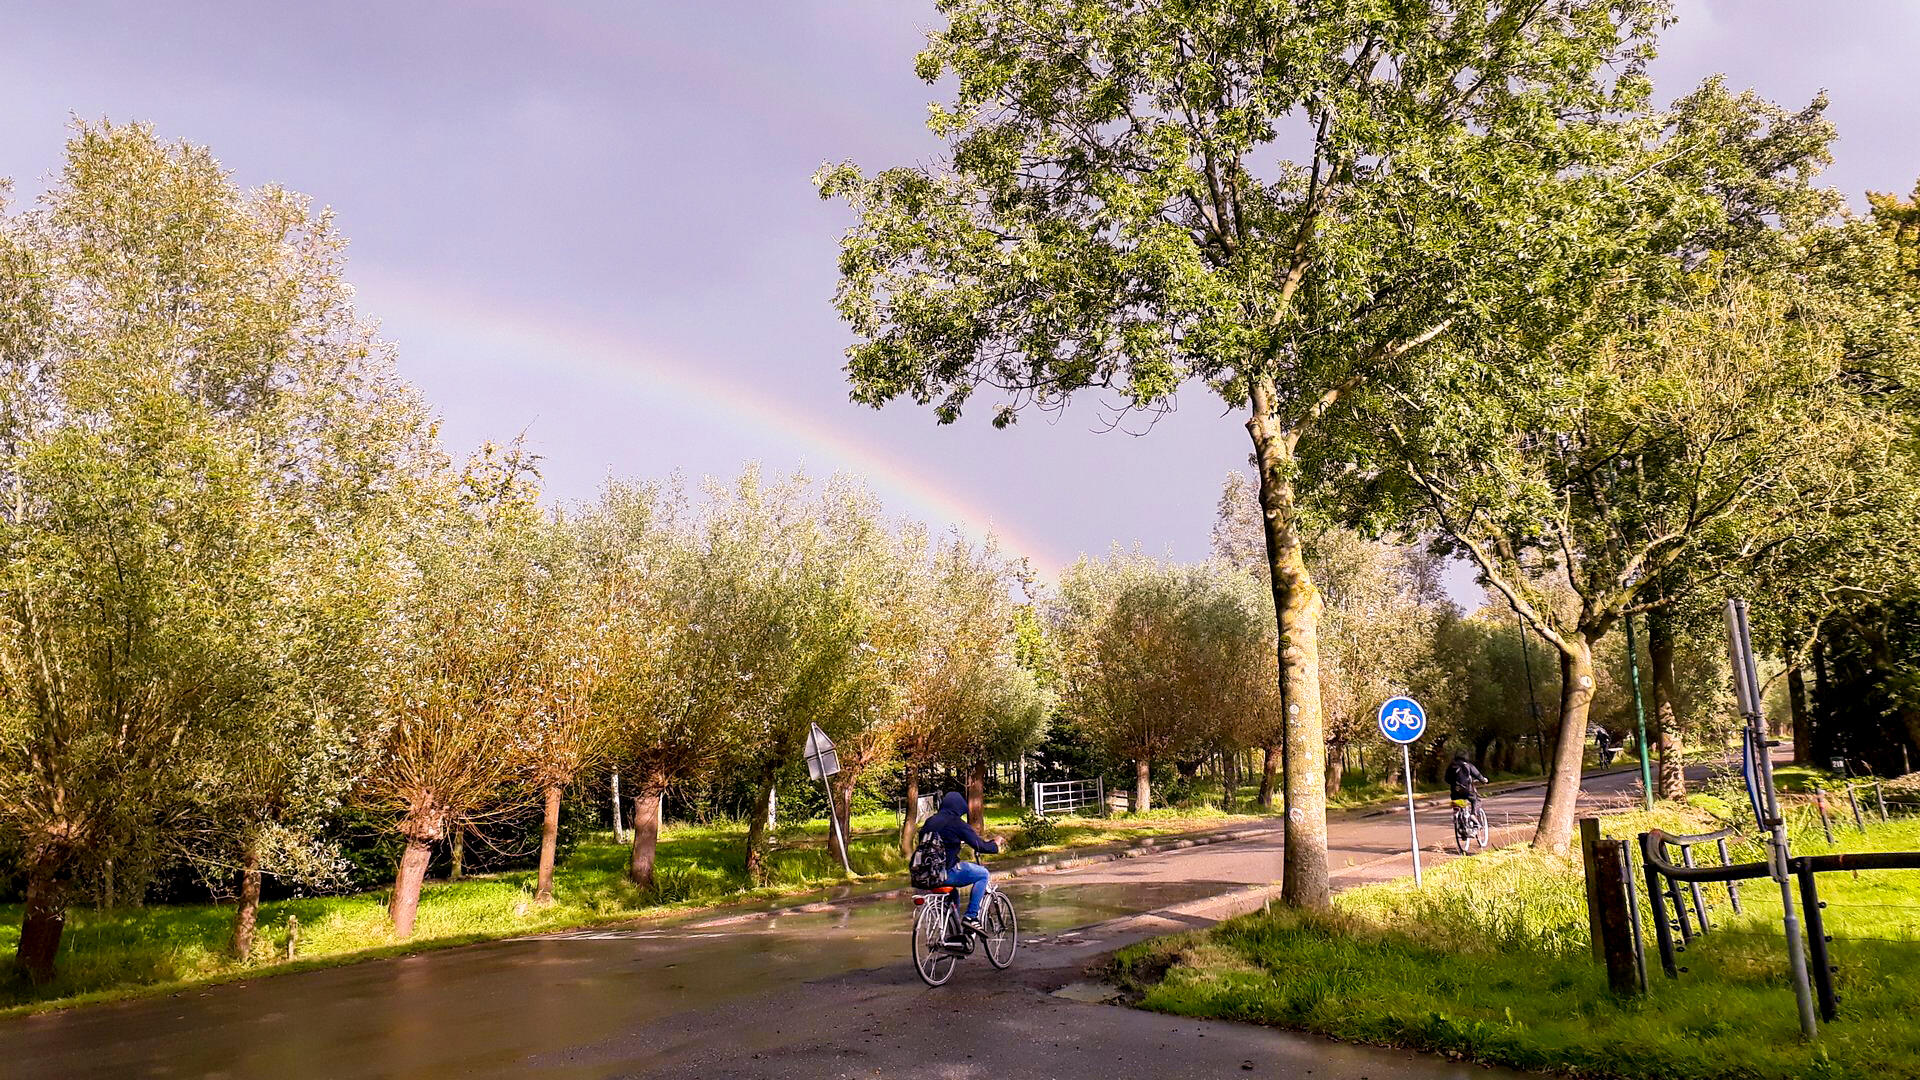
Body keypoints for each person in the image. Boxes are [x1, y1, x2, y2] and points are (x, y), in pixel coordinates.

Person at [918, 791, 1006, 933]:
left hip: (926, 874)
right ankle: (971, 917)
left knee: (953, 895)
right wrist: (995, 844)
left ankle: (953, 935)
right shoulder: (956, 823)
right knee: (982, 874)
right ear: (958, 808)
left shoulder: (930, 822)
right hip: (946, 872)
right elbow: (980, 846)